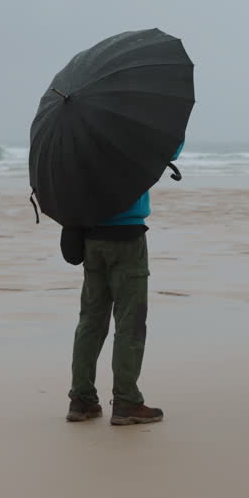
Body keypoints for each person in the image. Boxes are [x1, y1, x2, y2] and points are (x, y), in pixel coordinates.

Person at [67, 143, 182, 425]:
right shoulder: (131, 139)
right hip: (128, 238)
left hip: (91, 238)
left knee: (91, 321)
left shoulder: (82, 145)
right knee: (130, 323)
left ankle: (81, 400)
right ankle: (126, 401)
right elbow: (169, 146)